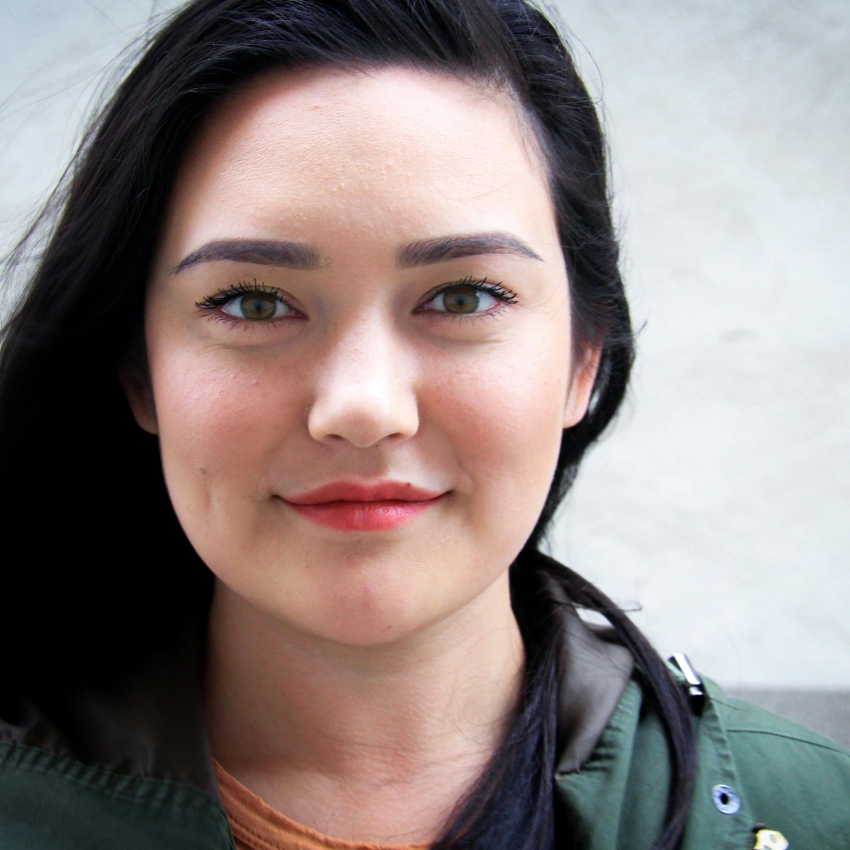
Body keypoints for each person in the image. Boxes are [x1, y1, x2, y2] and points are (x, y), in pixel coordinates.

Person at [0, 1, 847, 849]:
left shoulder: (812, 815)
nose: (363, 407)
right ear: (138, 370)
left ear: (584, 356)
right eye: (254, 303)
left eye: (464, 296)